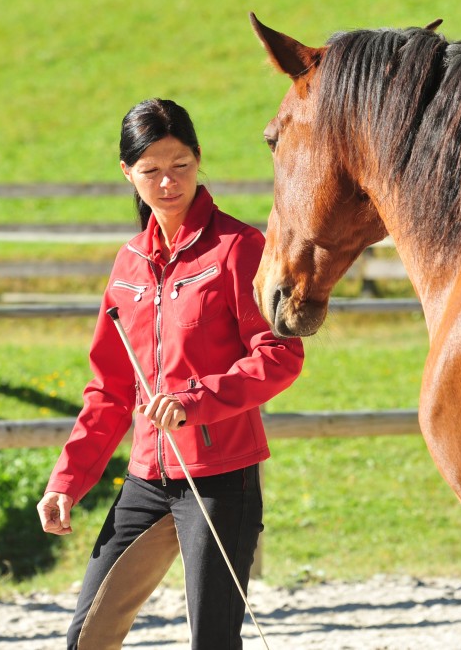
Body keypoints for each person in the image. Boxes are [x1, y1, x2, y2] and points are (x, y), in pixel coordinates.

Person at [36, 98, 304, 650]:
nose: (167, 183)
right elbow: (108, 389)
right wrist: (68, 480)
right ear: (128, 175)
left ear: (199, 160)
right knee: (86, 637)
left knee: (212, 642)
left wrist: (196, 399)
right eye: (151, 170)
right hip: (144, 479)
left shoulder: (239, 248)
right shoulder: (128, 263)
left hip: (221, 478)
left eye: (180, 165)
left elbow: (279, 355)